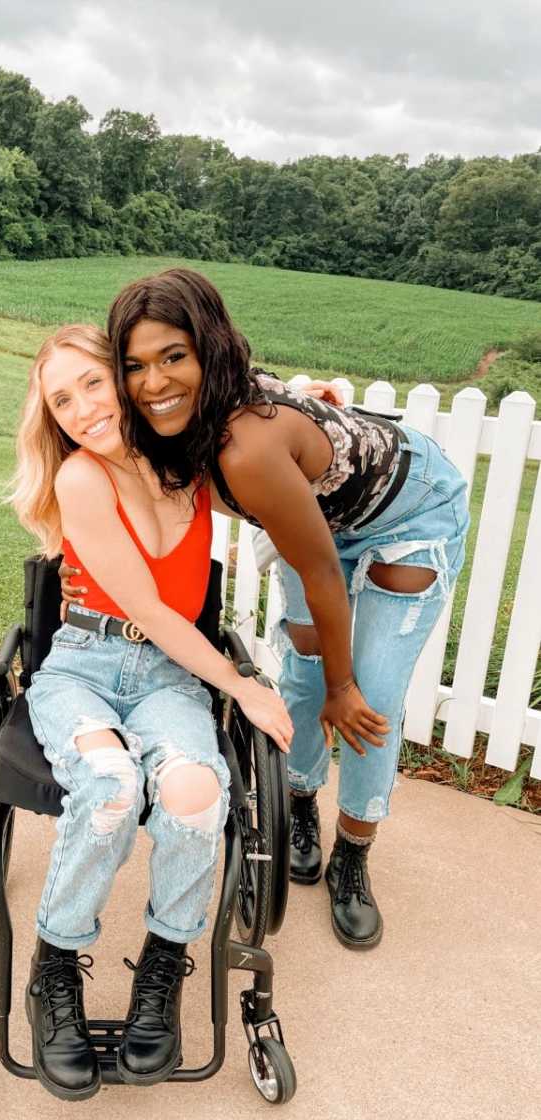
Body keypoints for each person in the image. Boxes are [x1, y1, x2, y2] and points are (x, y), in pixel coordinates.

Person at [64, 268, 469, 952]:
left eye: (174, 358)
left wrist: (346, 689)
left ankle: (355, 851)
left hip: (407, 513)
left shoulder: (245, 447)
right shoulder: (173, 421)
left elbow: (318, 573)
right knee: (305, 671)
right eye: (135, 365)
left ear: (210, 351)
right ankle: (301, 802)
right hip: (314, 519)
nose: (154, 382)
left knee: (369, 694)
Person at [8, 324, 293, 1101]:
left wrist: (313, 403)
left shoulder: (187, 459)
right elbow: (152, 610)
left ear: (127, 379)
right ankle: (54, 970)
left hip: (169, 676)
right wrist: (243, 685)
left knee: (197, 796)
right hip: (86, 666)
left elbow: (248, 411)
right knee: (109, 787)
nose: (79, 409)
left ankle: (162, 970)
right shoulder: (79, 480)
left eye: (91, 384)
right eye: (60, 400)